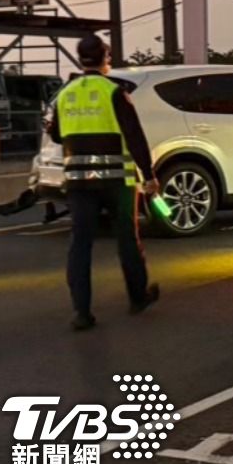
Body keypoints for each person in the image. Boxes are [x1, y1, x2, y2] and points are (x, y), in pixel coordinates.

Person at [47, 34, 159, 331]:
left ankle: (81, 313)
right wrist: (149, 176)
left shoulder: (65, 94)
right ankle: (138, 297)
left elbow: (56, 134)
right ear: (105, 57)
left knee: (80, 244)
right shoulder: (115, 91)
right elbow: (134, 135)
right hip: (116, 182)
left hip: (78, 184)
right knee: (127, 240)